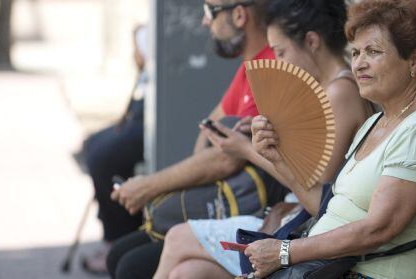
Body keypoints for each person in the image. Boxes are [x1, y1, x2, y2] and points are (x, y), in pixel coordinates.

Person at [152, 0, 374, 277]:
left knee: (177, 237)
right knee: (187, 272)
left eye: (280, 52)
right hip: (292, 221)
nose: (279, 64)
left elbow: (318, 199)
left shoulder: (339, 94)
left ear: (312, 41)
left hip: (308, 233)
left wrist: (250, 150)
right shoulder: (323, 88)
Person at [247, 0, 416, 278]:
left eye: (373, 52)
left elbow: (379, 228)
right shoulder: (375, 123)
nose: (359, 64)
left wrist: (285, 252)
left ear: (414, 61)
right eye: (357, 52)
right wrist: (277, 159)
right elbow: (326, 209)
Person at [106, 0, 277, 277]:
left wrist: (149, 187)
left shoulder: (270, 67)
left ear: (239, 14)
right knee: (120, 256)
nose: (204, 21)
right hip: (222, 204)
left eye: (210, 11)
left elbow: (225, 159)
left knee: (130, 265)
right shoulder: (250, 65)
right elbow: (208, 132)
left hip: (252, 211)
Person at [80, 25, 149, 274]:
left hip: (149, 121)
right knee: (92, 144)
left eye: (137, 51)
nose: (134, 56)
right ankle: (110, 229)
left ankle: (117, 236)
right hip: (138, 117)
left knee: (103, 158)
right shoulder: (144, 71)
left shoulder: (153, 62)